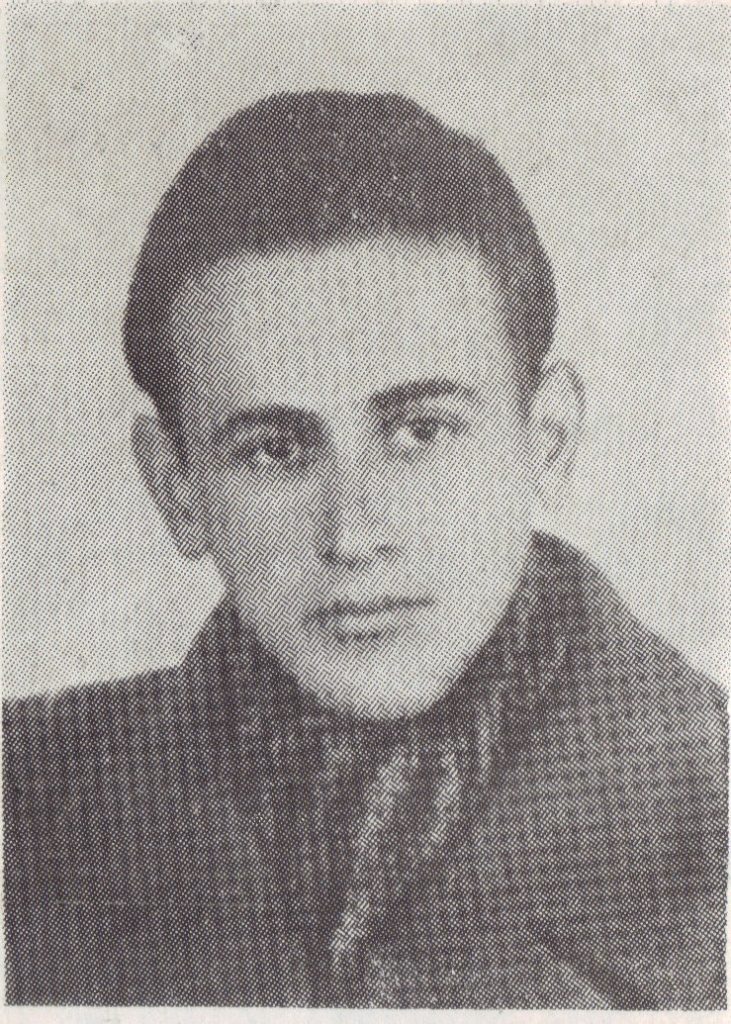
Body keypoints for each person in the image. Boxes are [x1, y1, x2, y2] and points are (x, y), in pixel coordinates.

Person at [4, 91, 726, 1008]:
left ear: (545, 442)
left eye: (420, 431)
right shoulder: (24, 802)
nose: (351, 535)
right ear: (177, 488)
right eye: (274, 451)